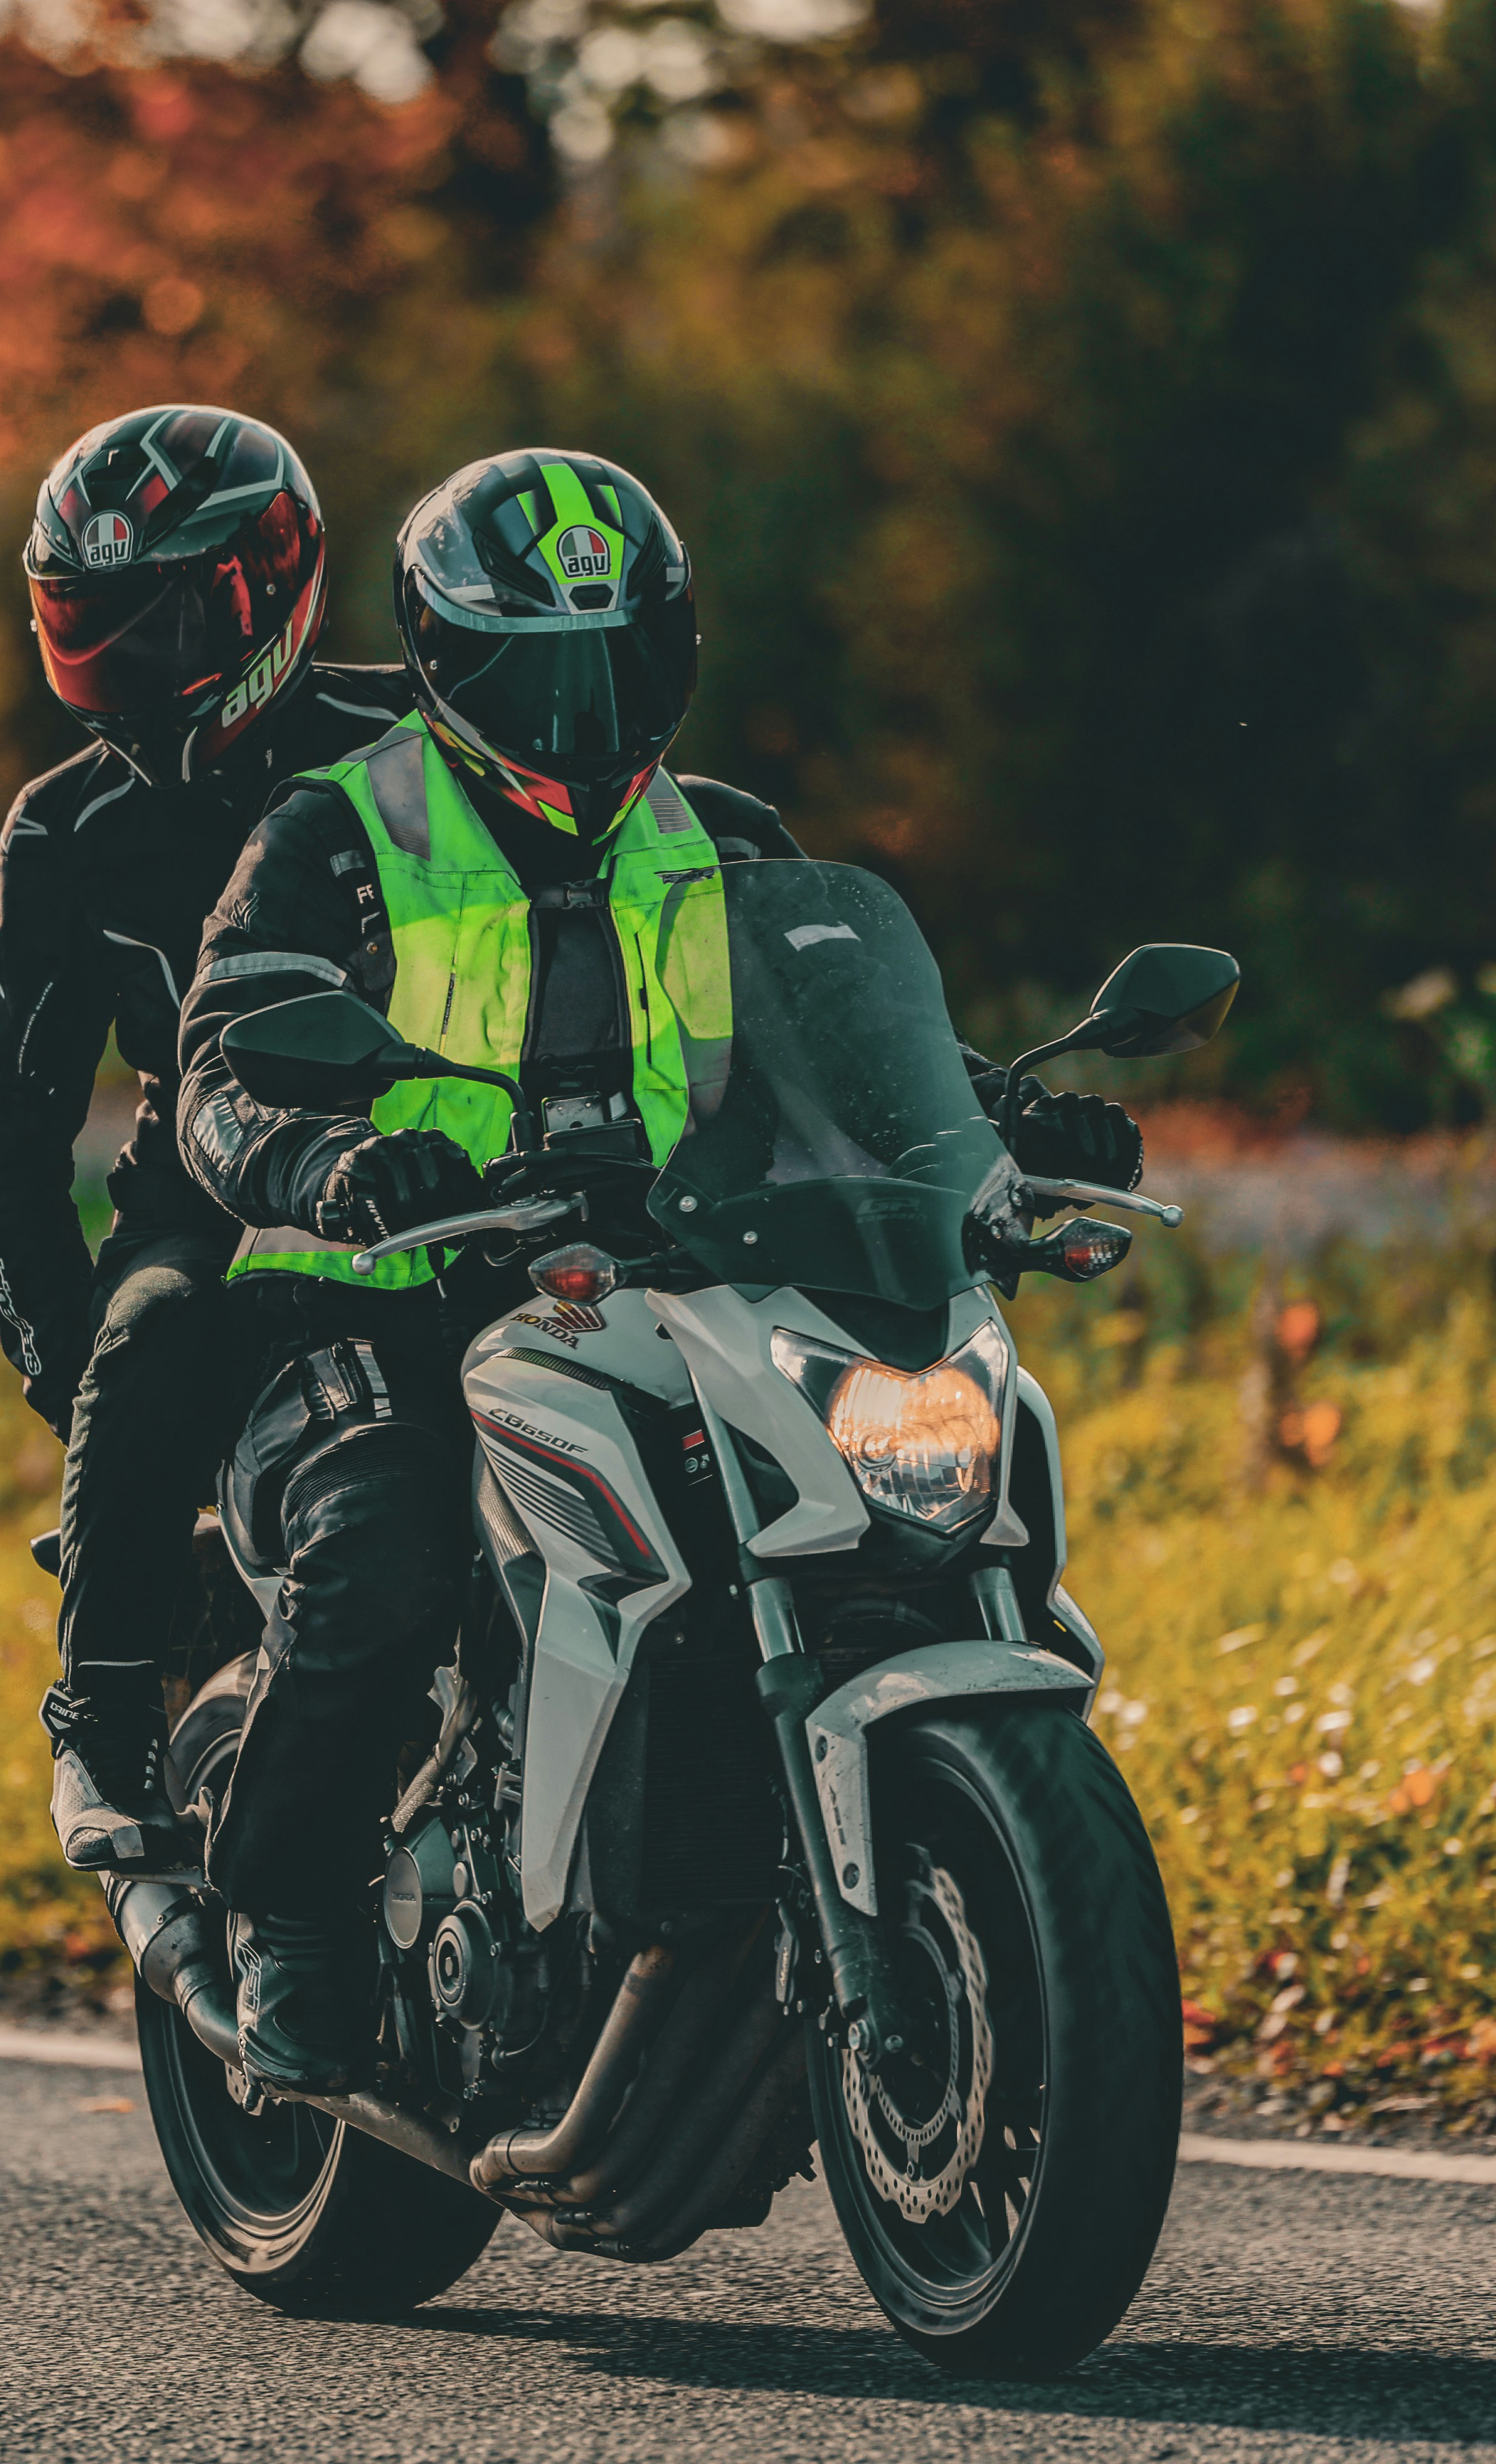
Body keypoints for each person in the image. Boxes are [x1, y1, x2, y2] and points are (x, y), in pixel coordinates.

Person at [171, 447, 1144, 2088]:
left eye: (620, 661)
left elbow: (843, 1047)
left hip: (665, 1274)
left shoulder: (727, 837)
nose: (584, 709)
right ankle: (292, 1916)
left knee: (885, 1480)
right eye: (537, 670)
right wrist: (325, 1163)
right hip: (381, 1288)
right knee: (387, 1552)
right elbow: (219, 1074)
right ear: (446, 659)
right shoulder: (337, 830)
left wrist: (1003, 1119)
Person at [0, 405, 418, 1878]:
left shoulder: (417, 742)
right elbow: (4, 1138)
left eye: (157, 623)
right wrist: (78, 1388)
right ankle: (99, 1722)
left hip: (444, 1162)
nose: (128, 668)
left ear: (264, 586)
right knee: (149, 1330)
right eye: (88, 626)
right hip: (208, 1192)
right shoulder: (65, 827)